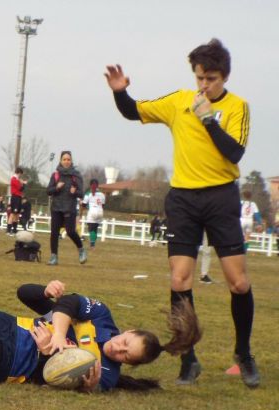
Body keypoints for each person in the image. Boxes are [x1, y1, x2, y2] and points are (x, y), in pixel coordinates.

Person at [105, 38, 259, 387]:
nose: (204, 85)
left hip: (221, 197)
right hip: (184, 199)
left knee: (239, 282)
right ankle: (188, 358)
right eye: (200, 78)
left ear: (225, 77)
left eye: (212, 79)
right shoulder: (178, 101)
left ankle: (244, 354)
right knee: (179, 280)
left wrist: (209, 120)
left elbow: (233, 153)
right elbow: (134, 111)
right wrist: (119, 93)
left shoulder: (238, 107)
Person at [0, 279, 201, 392]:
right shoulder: (103, 318)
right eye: (126, 343)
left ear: (131, 365)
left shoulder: (106, 375)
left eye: (128, 355)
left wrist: (54, 359)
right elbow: (69, 303)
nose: (119, 349)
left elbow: (54, 378)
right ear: (127, 331)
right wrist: (57, 335)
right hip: (9, 325)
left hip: (13, 362)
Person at [46, 151, 87, 266]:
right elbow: (48, 191)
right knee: (54, 232)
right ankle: (54, 256)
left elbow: (81, 193)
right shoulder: (55, 175)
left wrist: (75, 192)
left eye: (68, 159)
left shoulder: (76, 175)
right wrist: (56, 188)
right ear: (60, 161)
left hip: (69, 207)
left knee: (70, 231)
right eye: (64, 159)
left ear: (71, 161)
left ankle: (81, 249)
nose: (66, 161)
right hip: (56, 207)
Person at [82, 179, 106, 248]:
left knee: (91, 229)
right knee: (95, 228)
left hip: (93, 210)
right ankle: (93, 243)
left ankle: (92, 245)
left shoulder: (88, 193)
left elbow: (84, 204)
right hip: (100, 211)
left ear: (90, 185)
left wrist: (82, 204)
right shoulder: (102, 194)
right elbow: (103, 205)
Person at [7, 168, 27, 235]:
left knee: (17, 214)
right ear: (18, 173)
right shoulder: (14, 179)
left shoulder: (17, 180)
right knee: (13, 214)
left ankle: (14, 230)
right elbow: (20, 188)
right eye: (20, 174)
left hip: (18, 198)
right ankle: (8, 230)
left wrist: (21, 182)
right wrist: (24, 183)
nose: (20, 176)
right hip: (15, 197)